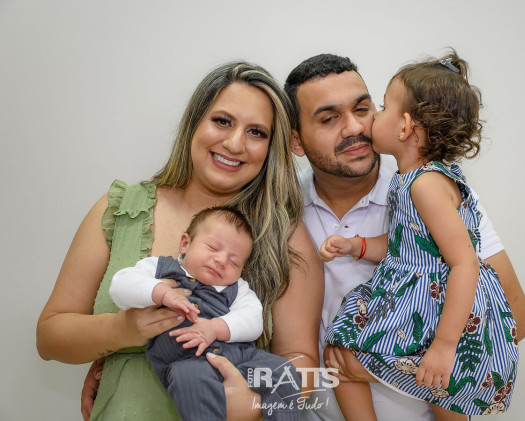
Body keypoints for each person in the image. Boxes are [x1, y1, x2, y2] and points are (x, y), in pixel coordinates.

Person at [37, 61, 324, 421]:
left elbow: (300, 359)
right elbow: (49, 338)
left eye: (256, 132)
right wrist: (119, 332)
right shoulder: (122, 209)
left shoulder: (284, 234)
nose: (234, 143)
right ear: (194, 122)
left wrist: (251, 406)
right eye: (222, 121)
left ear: (271, 148)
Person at [284, 53, 525, 421]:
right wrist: (358, 246)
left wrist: (380, 367)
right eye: (329, 118)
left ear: (403, 125)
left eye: (365, 108)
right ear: (296, 141)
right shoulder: (282, 210)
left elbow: (514, 321)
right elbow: (402, 243)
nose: (355, 127)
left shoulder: (434, 189)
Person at [110, 206, 300, 421]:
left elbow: (254, 319)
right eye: (213, 248)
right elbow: (120, 285)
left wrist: (215, 328)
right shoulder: (161, 269)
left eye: (234, 261)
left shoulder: (237, 288)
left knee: (283, 372)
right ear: (185, 243)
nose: (221, 261)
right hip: (188, 361)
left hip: (242, 359)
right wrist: (161, 293)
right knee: (188, 380)